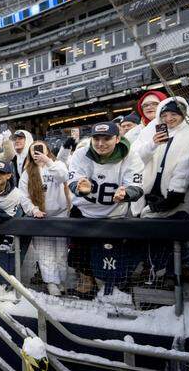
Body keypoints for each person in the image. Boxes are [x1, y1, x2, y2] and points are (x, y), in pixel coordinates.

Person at [66, 122, 144, 298]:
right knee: (78, 254)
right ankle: (87, 285)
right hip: (83, 211)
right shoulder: (81, 153)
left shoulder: (131, 156)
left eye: (106, 138)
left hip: (114, 214)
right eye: (96, 138)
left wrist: (126, 193)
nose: (101, 143)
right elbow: (72, 180)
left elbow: (137, 187)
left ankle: (115, 289)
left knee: (112, 255)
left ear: (117, 139)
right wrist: (79, 186)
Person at [135, 98, 189, 219]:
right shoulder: (154, 130)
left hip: (172, 195)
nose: (168, 119)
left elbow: (184, 165)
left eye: (174, 114)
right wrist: (153, 144)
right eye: (164, 115)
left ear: (183, 115)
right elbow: (137, 159)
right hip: (150, 191)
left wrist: (175, 193)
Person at [18, 141, 70, 296]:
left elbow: (63, 176)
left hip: (60, 215)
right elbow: (23, 195)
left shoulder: (58, 164)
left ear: (47, 150)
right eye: (34, 151)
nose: (37, 153)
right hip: (41, 218)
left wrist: (47, 161)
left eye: (40, 149)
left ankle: (61, 281)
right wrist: (33, 210)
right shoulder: (27, 172)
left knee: (61, 253)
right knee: (45, 253)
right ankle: (51, 283)